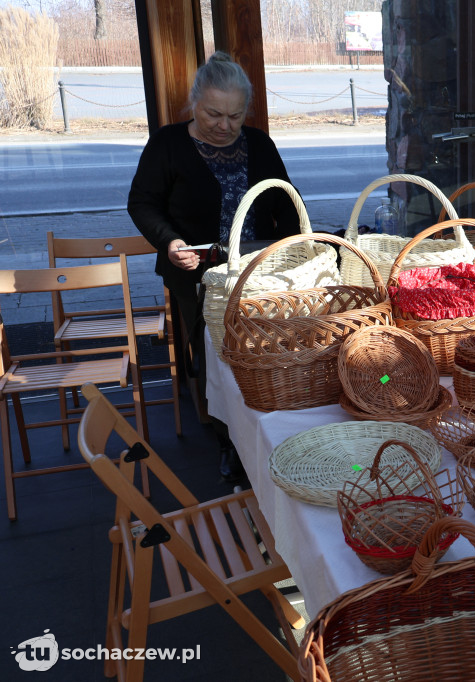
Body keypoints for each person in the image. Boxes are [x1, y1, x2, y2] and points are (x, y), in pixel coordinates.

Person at [128, 51, 301, 481]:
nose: (224, 125)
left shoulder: (258, 143)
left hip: (258, 269)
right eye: (213, 114)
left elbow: (287, 201)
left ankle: (271, 428)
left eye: (235, 116)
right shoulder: (168, 144)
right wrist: (170, 242)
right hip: (196, 272)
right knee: (214, 354)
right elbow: (142, 203)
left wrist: (298, 250)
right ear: (193, 103)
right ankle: (229, 442)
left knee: (264, 350)